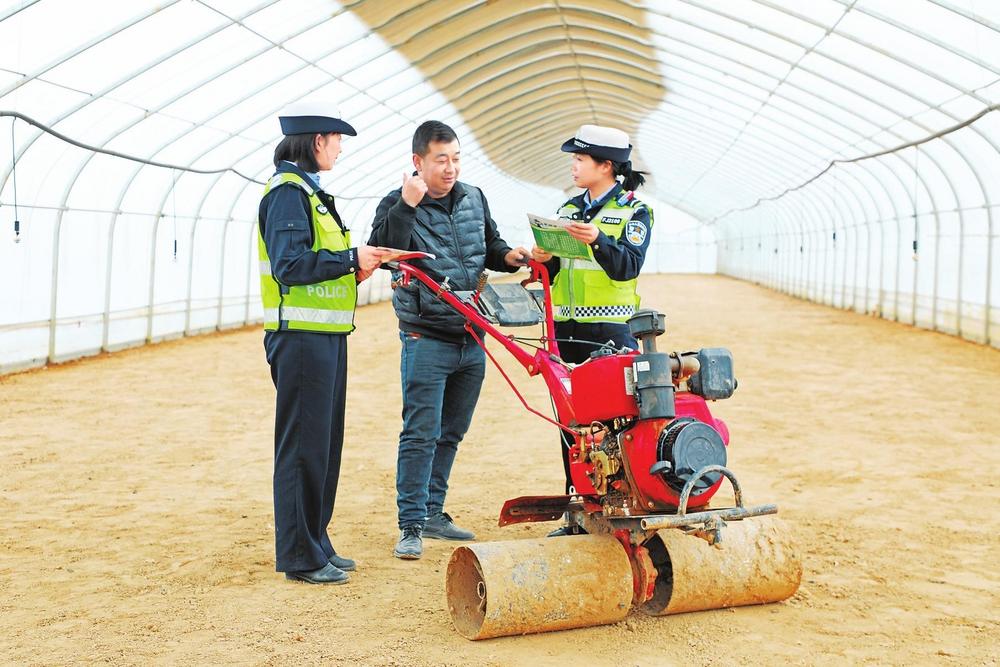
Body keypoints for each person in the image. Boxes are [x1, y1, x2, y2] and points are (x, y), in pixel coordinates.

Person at [369, 120, 531, 560]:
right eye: (441, 160)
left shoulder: (474, 197)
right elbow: (385, 255)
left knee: (452, 432)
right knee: (420, 432)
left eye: (456, 158)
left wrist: (510, 257)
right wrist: (407, 205)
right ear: (418, 162)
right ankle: (411, 525)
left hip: (472, 334)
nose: (451, 168)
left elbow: (490, 245)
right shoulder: (396, 203)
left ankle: (433, 513)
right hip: (426, 336)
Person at [258, 99, 389, 583]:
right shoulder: (288, 193)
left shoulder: (308, 192)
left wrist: (355, 266)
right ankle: (300, 556)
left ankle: (316, 541)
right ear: (316, 141)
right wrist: (351, 258)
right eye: (336, 141)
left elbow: (316, 261)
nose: (339, 150)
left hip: (325, 336)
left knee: (323, 447)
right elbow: (289, 265)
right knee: (302, 449)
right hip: (301, 339)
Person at [530, 124, 654, 536]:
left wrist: (600, 239)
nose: (573, 166)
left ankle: (621, 514)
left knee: (615, 428)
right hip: (565, 333)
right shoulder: (567, 210)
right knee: (571, 427)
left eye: (580, 159)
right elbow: (556, 271)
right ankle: (579, 516)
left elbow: (627, 267)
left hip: (611, 335)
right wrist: (543, 258)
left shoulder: (634, 211)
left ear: (606, 166)